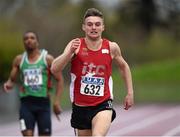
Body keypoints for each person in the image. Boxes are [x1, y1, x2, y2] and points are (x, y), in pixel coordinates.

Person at [51, 8, 134, 136]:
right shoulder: (76, 45)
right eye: (89, 24)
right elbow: (54, 69)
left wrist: (130, 92)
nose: (93, 27)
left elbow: (124, 67)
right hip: (80, 107)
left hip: (103, 104)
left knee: (98, 135)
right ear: (84, 27)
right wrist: (68, 53)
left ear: (103, 27)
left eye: (97, 24)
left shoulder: (111, 47)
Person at [3, 31, 63, 136]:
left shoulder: (47, 59)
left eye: (32, 38)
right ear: (23, 43)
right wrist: (8, 84)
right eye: (26, 38)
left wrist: (56, 101)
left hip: (43, 104)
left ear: (37, 42)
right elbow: (11, 80)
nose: (29, 40)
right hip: (26, 104)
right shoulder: (19, 60)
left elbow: (60, 79)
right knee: (26, 134)